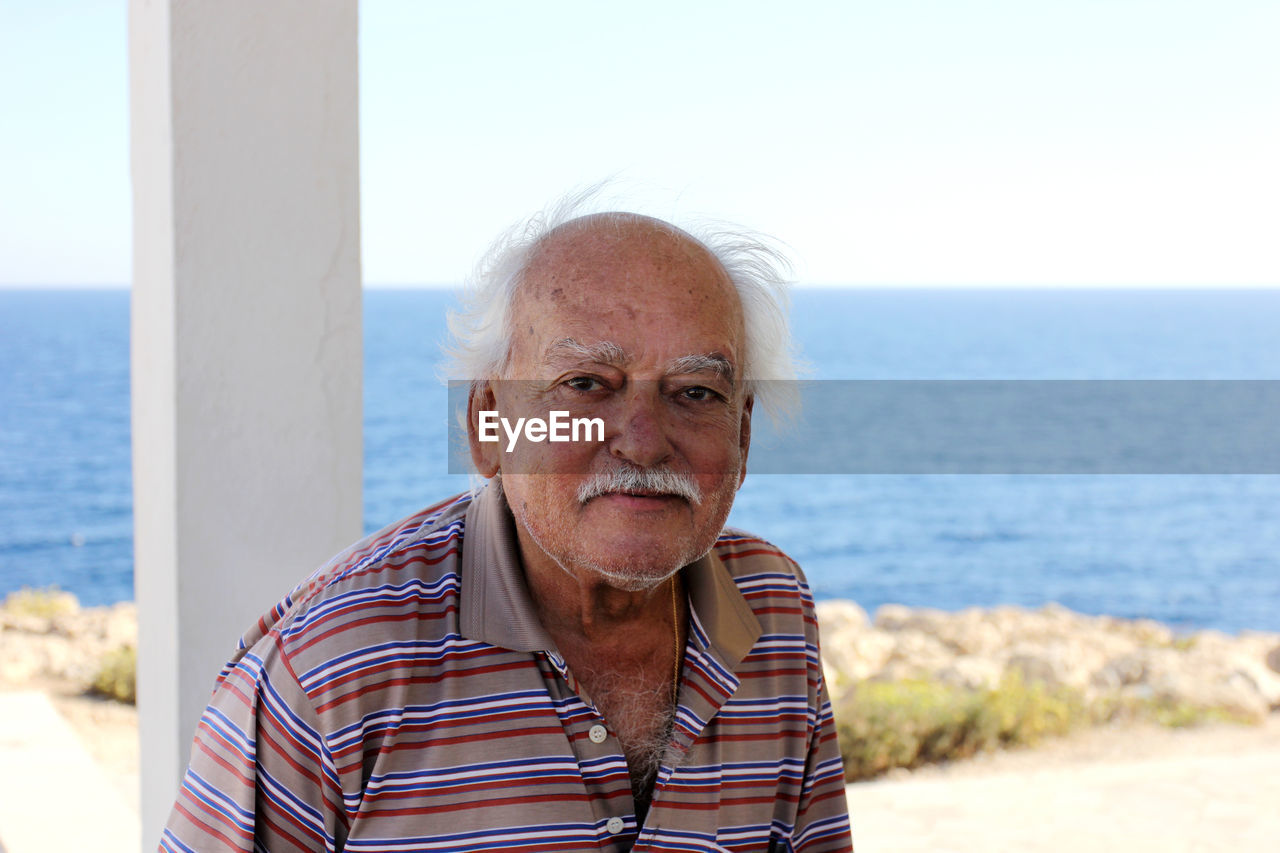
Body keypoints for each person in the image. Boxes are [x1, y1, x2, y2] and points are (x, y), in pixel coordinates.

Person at [159, 202, 854, 852]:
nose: (643, 441)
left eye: (695, 392)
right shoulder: (330, 669)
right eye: (585, 383)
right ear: (487, 425)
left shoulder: (772, 610)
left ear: (742, 434)